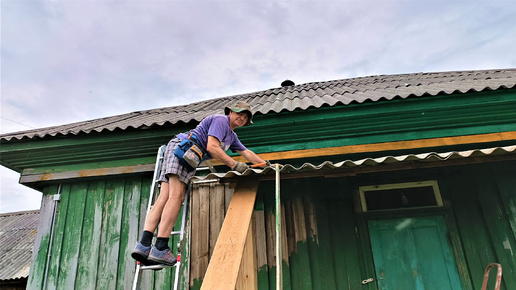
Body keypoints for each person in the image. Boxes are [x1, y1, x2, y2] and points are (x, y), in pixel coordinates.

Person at [131, 101, 266, 266]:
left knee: (164, 197)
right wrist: (234, 164)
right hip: (185, 151)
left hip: (180, 149)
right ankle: (160, 246)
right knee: (176, 196)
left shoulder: (232, 136)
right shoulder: (221, 121)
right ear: (230, 112)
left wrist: (266, 165)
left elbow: (246, 152)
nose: (242, 118)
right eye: (240, 114)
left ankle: (144, 245)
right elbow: (212, 147)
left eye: (245, 117)